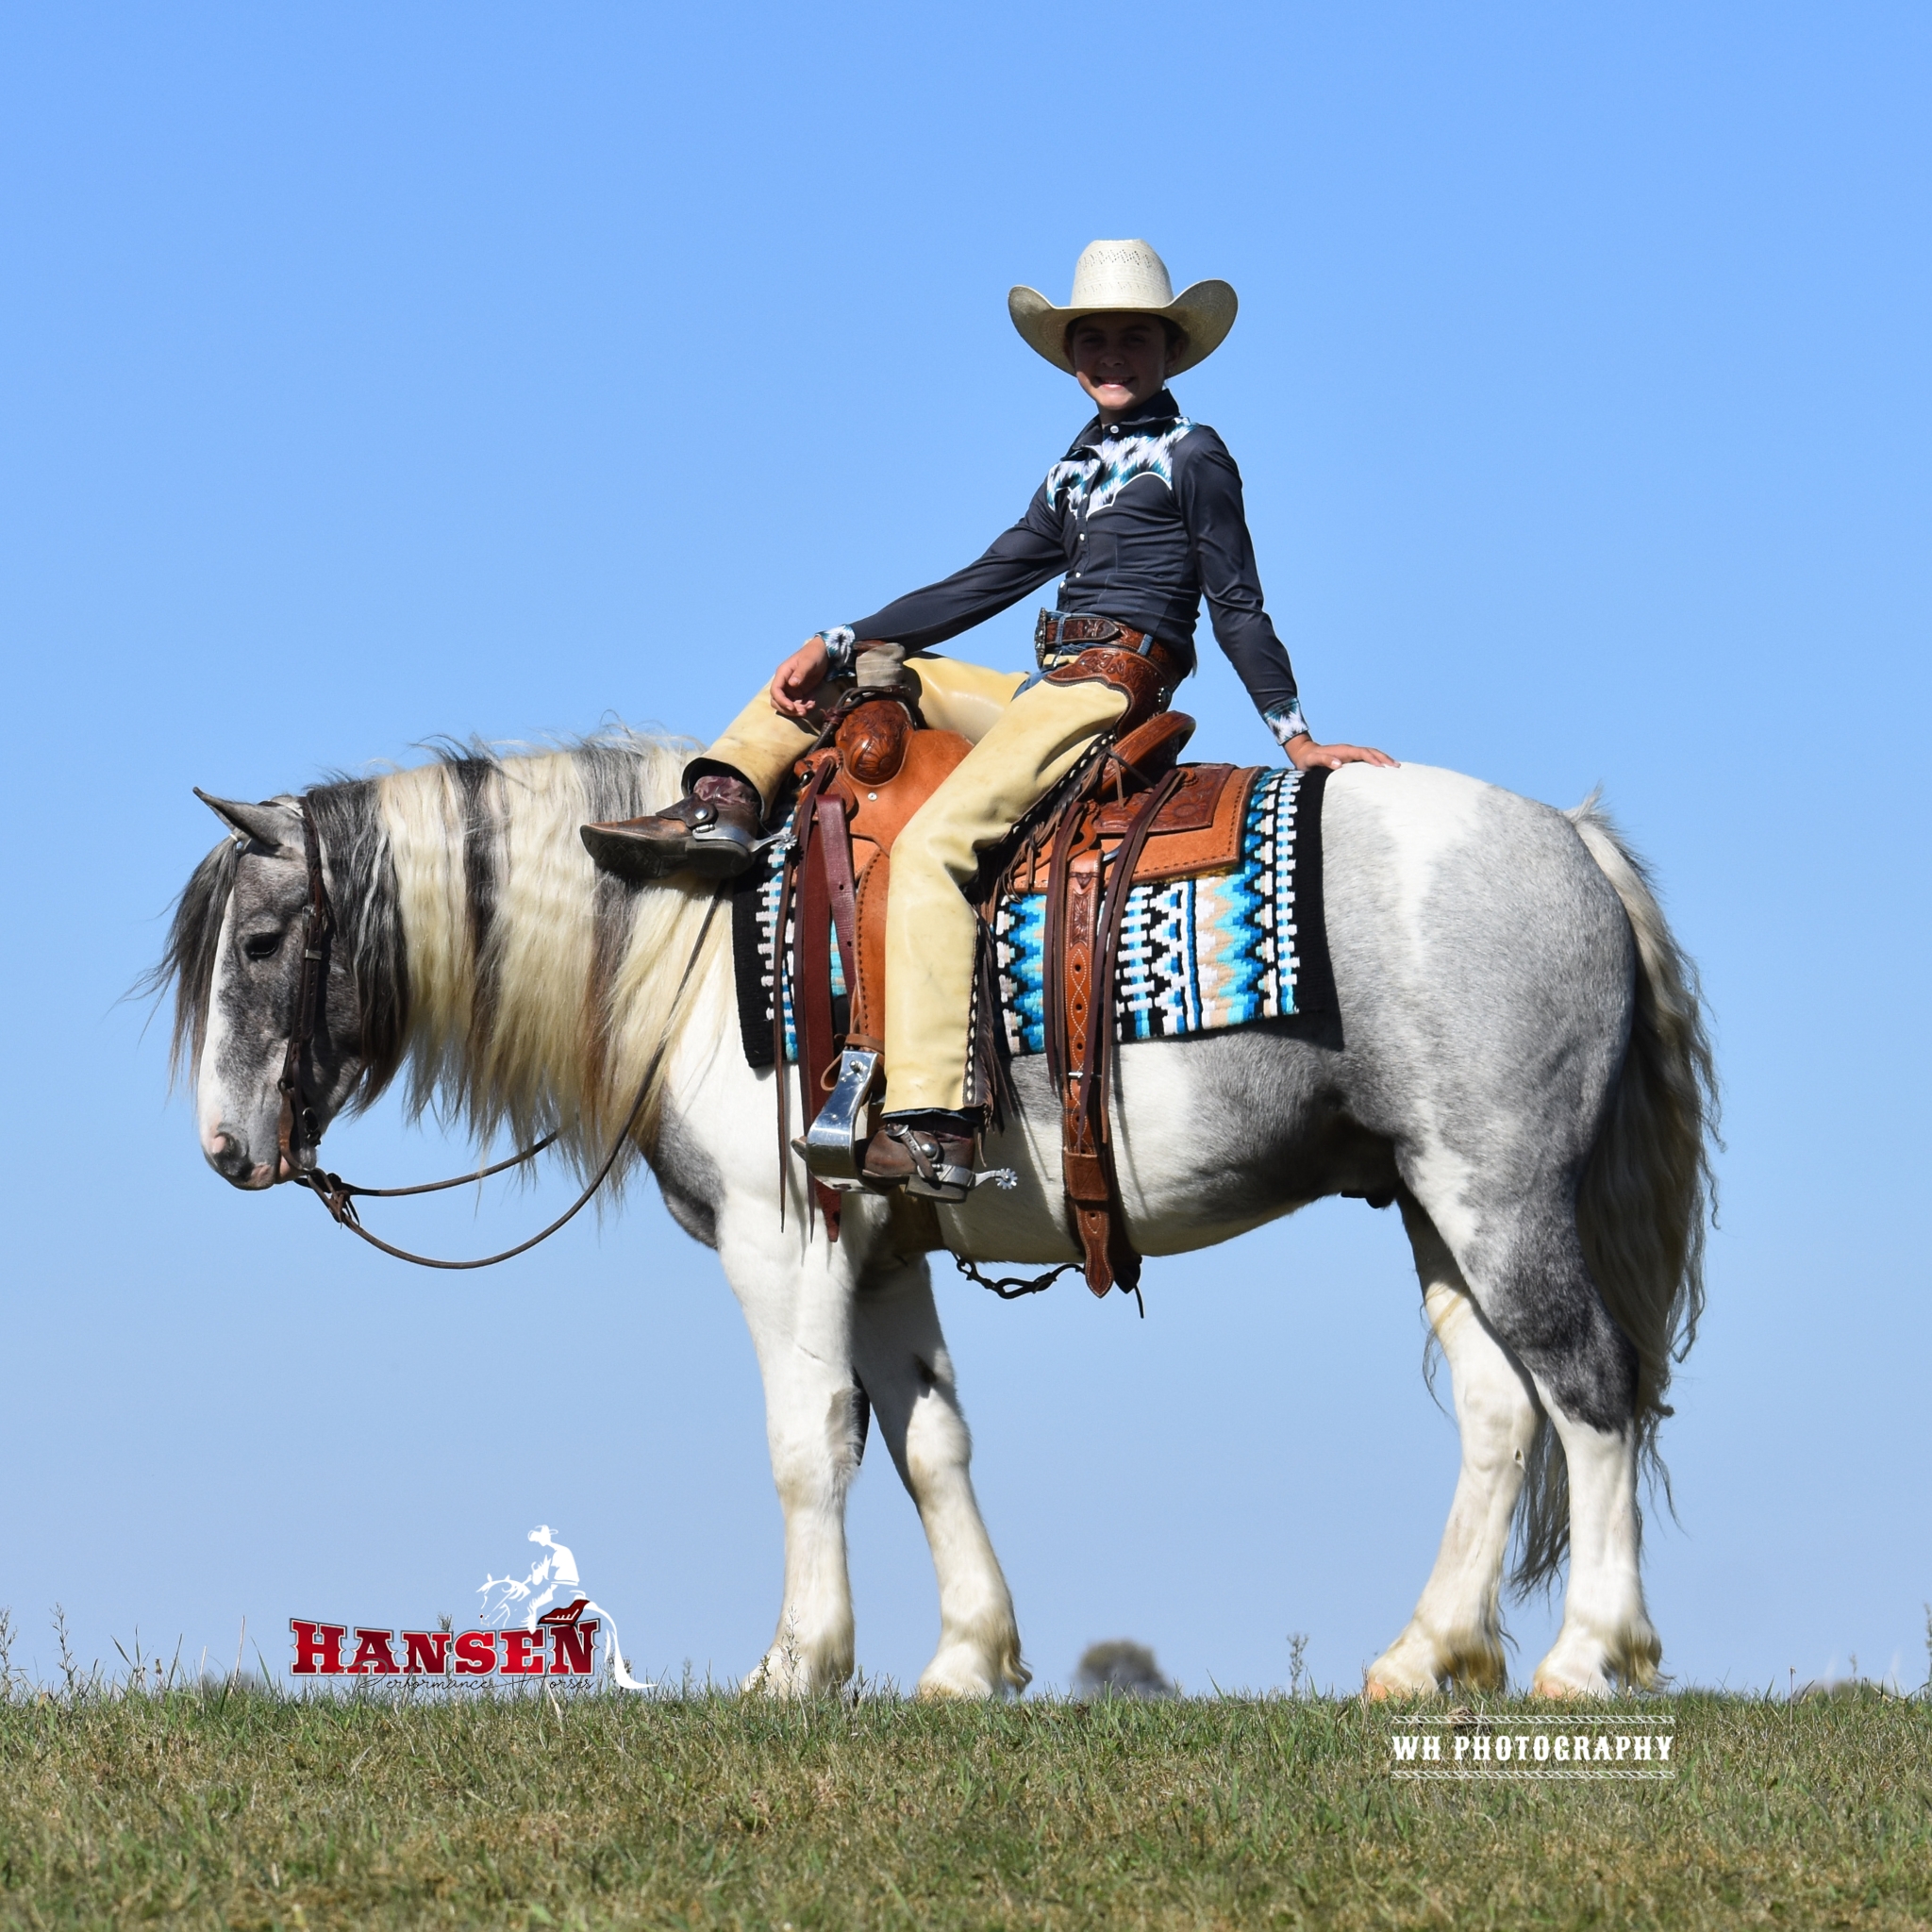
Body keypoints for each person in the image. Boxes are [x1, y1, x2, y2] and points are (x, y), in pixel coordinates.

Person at [583, 239, 1393, 1199]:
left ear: (1170, 349)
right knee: (860, 679)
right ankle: (723, 801)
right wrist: (838, 639)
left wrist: (1295, 736)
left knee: (933, 851)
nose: (1110, 354)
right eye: (1091, 338)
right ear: (1070, 354)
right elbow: (982, 582)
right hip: (1042, 684)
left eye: (1133, 337)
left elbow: (1237, 603)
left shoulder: (1194, 454)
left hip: (1109, 686)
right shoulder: (1074, 467)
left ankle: (935, 1126)